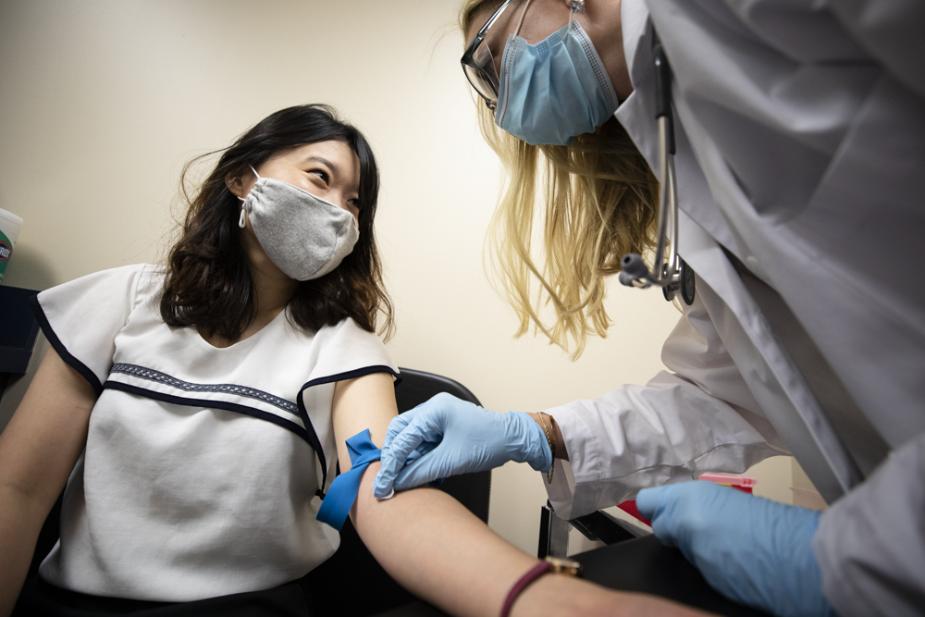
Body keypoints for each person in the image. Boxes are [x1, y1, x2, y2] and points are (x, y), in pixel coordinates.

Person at [0, 104, 709, 617]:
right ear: (245, 180)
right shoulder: (122, 301)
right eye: (318, 177)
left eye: (355, 201)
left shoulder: (343, 347)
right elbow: (18, 489)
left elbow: (385, 493)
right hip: (65, 603)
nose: (339, 210)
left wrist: (540, 595)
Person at [375, 2, 925, 617]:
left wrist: (854, 557)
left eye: (495, 59)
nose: (505, 102)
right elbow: (728, 392)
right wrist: (537, 433)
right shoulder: (676, 140)